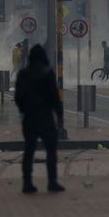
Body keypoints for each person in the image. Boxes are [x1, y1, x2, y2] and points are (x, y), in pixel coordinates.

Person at [14, 45, 65, 193]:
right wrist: (60, 117)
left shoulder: (23, 74)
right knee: (51, 151)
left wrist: (25, 110)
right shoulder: (47, 74)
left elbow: (18, 98)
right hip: (45, 118)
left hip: (29, 118)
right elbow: (55, 98)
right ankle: (52, 181)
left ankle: (27, 182)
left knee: (29, 151)